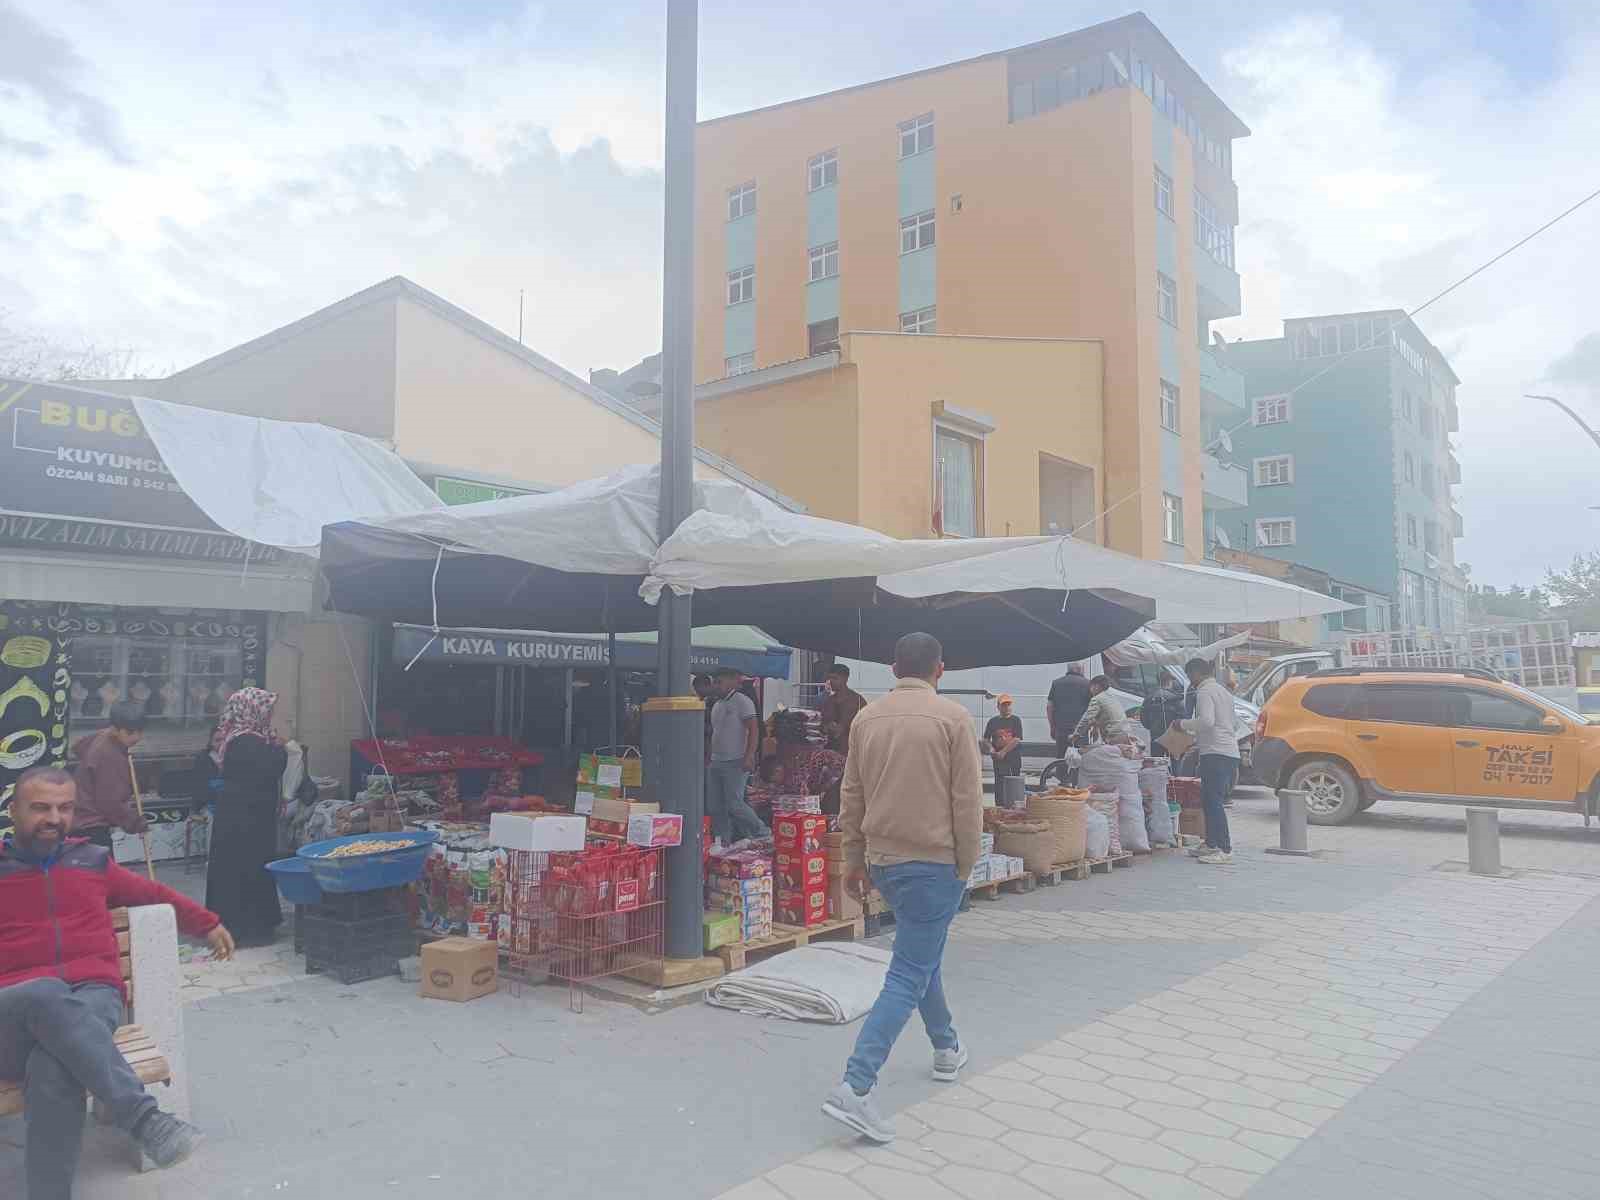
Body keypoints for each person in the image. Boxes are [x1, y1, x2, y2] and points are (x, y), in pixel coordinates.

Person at [1, 766, 235, 1197]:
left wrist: (206, 923)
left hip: (92, 997)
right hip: (12, 1013)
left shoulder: (91, 861)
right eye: (40, 808)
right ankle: (145, 1119)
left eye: (64, 808)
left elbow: (155, 894)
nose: (54, 817)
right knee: (44, 991)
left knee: (53, 1067)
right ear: (13, 810)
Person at [823, 632, 982, 1145]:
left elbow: (852, 794)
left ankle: (946, 1047)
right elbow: (967, 802)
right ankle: (856, 1085)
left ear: (894, 668)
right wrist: (967, 865)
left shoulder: (867, 718)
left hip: (884, 860)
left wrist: (852, 857)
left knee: (920, 953)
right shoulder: (954, 718)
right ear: (941, 669)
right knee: (910, 968)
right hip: (934, 863)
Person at [205, 688, 289, 947]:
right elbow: (271, 767)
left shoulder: (240, 738)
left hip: (242, 817)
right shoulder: (247, 742)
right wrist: (281, 750)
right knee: (247, 869)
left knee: (242, 868)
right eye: (267, 710)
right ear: (253, 711)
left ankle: (243, 925)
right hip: (246, 821)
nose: (270, 715)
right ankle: (248, 926)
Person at [1175, 657, 1240, 864]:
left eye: (1189, 676)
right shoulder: (1223, 692)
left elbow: (1206, 721)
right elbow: (1234, 724)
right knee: (1208, 799)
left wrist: (1182, 724)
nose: (1189, 681)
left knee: (1213, 801)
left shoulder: (1204, 692)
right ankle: (1211, 844)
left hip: (1216, 753)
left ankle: (1224, 848)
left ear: (1196, 673)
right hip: (1227, 751)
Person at [70, 701, 149, 850]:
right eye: (130, 732)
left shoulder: (104, 736)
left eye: (140, 731)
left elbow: (78, 746)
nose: (137, 737)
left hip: (80, 822)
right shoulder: (110, 755)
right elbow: (111, 802)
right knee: (102, 872)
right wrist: (136, 823)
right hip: (90, 827)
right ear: (115, 729)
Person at [706, 667, 767, 843]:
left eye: (720, 681)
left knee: (735, 804)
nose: (716, 686)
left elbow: (754, 730)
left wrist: (749, 756)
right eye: (715, 682)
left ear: (734, 680)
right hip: (716, 761)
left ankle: (762, 832)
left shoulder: (743, 701)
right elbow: (715, 733)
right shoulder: (717, 705)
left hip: (736, 760)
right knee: (715, 806)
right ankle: (722, 841)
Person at [980, 693, 1025, 791]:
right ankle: (999, 804)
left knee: (1013, 783)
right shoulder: (993, 721)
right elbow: (986, 739)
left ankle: (1013, 803)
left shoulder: (1016, 720)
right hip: (998, 759)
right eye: (1004, 705)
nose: (1006, 707)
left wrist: (1003, 752)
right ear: (998, 707)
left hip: (1013, 756)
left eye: (1008, 705)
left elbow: (1017, 739)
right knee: (999, 783)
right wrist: (991, 749)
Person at [819, 664, 867, 754]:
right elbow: (821, 726)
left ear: (845, 679)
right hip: (830, 753)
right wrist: (827, 727)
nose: (831, 681)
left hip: (851, 752)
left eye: (835, 678)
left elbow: (865, 728)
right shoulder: (827, 701)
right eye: (830, 678)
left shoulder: (858, 701)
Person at [1046, 665, 1091, 757]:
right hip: (1081, 729)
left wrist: (1052, 726)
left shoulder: (1056, 683)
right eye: (1083, 669)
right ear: (1078, 669)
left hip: (1061, 728)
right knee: (1080, 757)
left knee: (1061, 756)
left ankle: (1061, 771)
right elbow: (1092, 708)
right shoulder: (1088, 684)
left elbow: (1049, 707)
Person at [1072, 675, 1130, 745]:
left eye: (1091, 687)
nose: (1090, 690)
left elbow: (1086, 719)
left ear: (1096, 686)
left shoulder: (1097, 699)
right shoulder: (1111, 696)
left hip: (1113, 736)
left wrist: (1076, 734)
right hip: (1125, 733)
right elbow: (1107, 715)